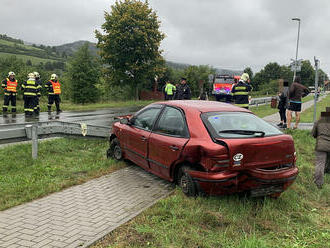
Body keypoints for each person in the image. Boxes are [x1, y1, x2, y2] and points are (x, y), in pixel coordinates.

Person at [311, 109, 330, 189]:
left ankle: (318, 184)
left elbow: (313, 133)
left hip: (321, 144)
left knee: (320, 164)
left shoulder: (319, 121)